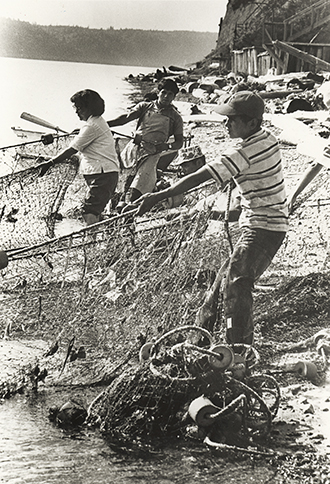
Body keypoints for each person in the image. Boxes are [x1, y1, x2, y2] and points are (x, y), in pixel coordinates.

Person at [129, 91, 289, 346]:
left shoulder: (245, 151)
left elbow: (200, 176)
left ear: (252, 123)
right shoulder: (267, 138)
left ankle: (237, 349)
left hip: (264, 228)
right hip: (261, 224)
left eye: (232, 119)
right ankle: (198, 343)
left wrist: (159, 195)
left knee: (236, 285)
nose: (226, 124)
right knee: (218, 287)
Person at [39, 89, 120, 226]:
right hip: (103, 174)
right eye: (76, 108)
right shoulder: (97, 122)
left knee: (89, 212)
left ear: (90, 108)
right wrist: (81, 131)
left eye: (80, 108)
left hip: (102, 175)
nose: (77, 111)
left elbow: (72, 150)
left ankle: (91, 245)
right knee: (95, 211)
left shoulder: (92, 126)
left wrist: (50, 162)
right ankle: (101, 238)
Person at [107, 78, 184, 207]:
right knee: (121, 183)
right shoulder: (145, 106)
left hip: (153, 154)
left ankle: (127, 215)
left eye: (170, 94)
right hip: (134, 149)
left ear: (174, 96)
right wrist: (105, 124)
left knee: (137, 189)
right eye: (164, 92)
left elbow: (179, 143)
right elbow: (125, 118)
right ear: (158, 92)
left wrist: (166, 146)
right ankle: (113, 213)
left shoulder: (176, 117)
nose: (166, 96)